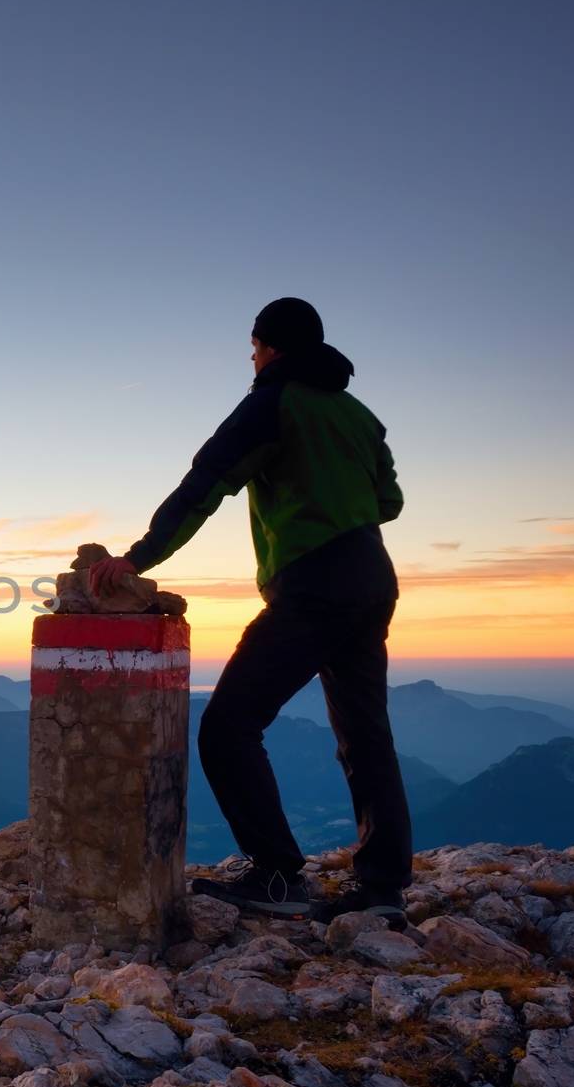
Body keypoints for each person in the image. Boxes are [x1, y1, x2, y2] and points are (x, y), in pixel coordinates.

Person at [89, 297, 411, 928]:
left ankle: (276, 874)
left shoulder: (272, 401)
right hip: (372, 579)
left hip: (313, 583)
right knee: (366, 735)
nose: (253, 358)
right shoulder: (360, 415)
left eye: (256, 347)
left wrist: (138, 558)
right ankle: (384, 891)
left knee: (229, 725)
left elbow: (205, 481)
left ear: (273, 348)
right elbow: (389, 501)